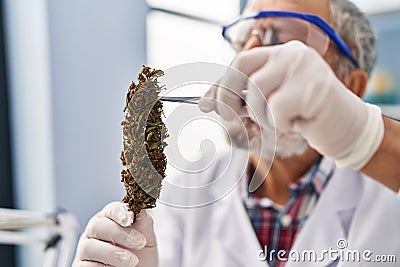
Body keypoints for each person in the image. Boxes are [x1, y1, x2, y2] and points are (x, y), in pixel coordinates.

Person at [73, 0, 400, 266]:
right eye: (244, 40)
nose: (246, 58)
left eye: (282, 37)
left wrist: (365, 136)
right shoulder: (189, 191)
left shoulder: (387, 193)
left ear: (350, 86)